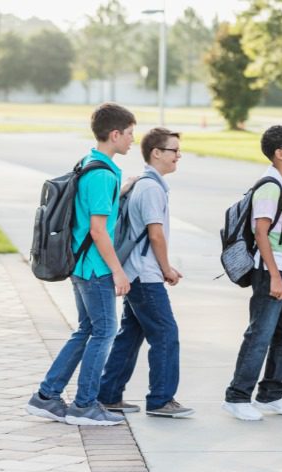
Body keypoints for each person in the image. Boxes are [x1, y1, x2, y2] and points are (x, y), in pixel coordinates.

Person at [25, 103, 135, 426]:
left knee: (87, 329)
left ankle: (47, 396)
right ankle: (84, 405)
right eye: (129, 134)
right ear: (115, 134)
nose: (132, 140)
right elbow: (99, 231)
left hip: (79, 264)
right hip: (96, 269)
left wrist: (122, 189)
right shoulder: (102, 175)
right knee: (105, 331)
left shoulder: (89, 163)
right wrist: (118, 270)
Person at [97, 127, 193, 418]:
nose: (179, 155)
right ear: (156, 153)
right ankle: (161, 400)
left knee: (130, 335)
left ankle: (109, 394)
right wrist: (166, 269)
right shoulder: (151, 188)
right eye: (174, 150)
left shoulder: (142, 183)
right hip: (146, 276)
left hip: (136, 272)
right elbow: (155, 235)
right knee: (166, 334)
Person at [223, 125, 282, 421]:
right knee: (260, 335)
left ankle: (271, 395)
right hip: (271, 272)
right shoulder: (270, 186)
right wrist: (275, 275)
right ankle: (237, 396)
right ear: (280, 154)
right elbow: (261, 233)